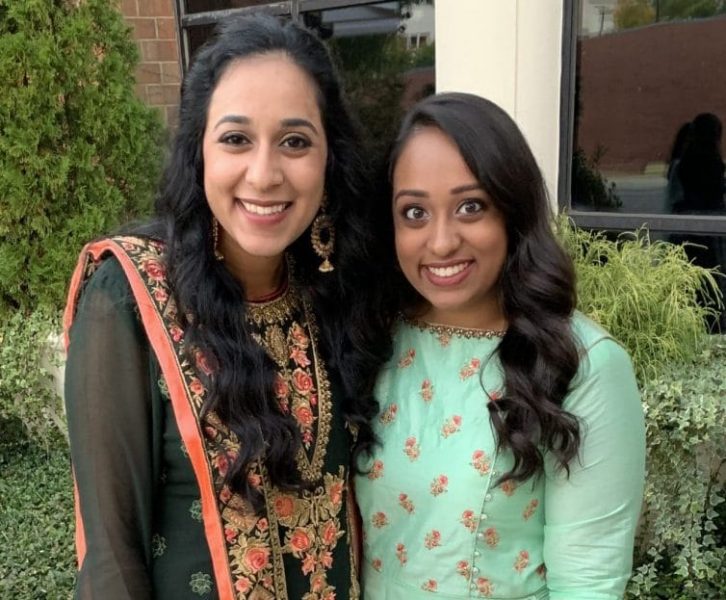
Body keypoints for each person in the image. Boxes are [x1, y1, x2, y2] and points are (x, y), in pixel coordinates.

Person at [63, 16, 390, 600]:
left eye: (295, 141)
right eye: (236, 139)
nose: (264, 175)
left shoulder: (335, 288)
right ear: (199, 153)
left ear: (329, 159)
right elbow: (112, 558)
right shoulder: (129, 297)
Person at [355, 93, 646, 599]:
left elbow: (589, 584)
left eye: (471, 207)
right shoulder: (372, 340)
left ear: (513, 211)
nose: (441, 242)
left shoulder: (580, 363)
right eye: (415, 212)